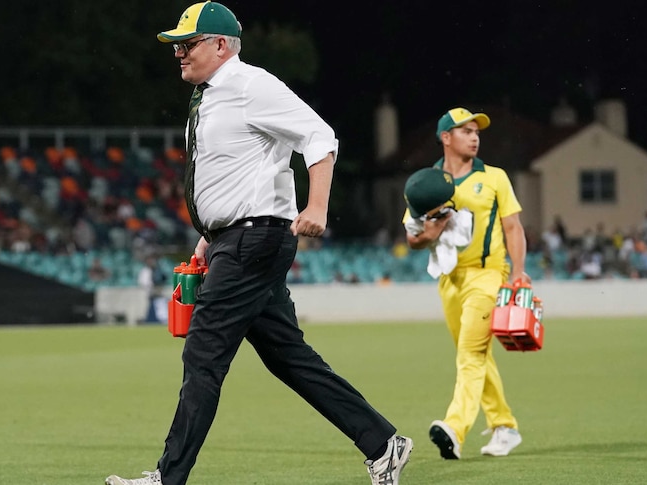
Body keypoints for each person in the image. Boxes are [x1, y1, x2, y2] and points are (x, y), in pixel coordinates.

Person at [105, 3, 412, 484]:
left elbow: (319, 135)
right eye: (178, 46)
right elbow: (231, 174)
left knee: (204, 352)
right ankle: (382, 443)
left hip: (257, 238)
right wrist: (210, 236)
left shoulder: (250, 84)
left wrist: (316, 207)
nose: (179, 53)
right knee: (288, 356)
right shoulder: (212, 96)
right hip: (238, 238)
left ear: (221, 45)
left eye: (188, 43)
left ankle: (167, 478)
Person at [403, 107, 527, 460]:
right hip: (449, 279)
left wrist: (517, 273)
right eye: (465, 131)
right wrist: (431, 231)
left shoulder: (495, 178)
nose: (475, 136)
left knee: (470, 355)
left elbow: (513, 228)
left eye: (476, 131)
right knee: (474, 354)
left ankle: (454, 429)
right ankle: (505, 426)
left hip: (489, 277)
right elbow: (412, 238)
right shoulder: (425, 185)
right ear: (446, 138)